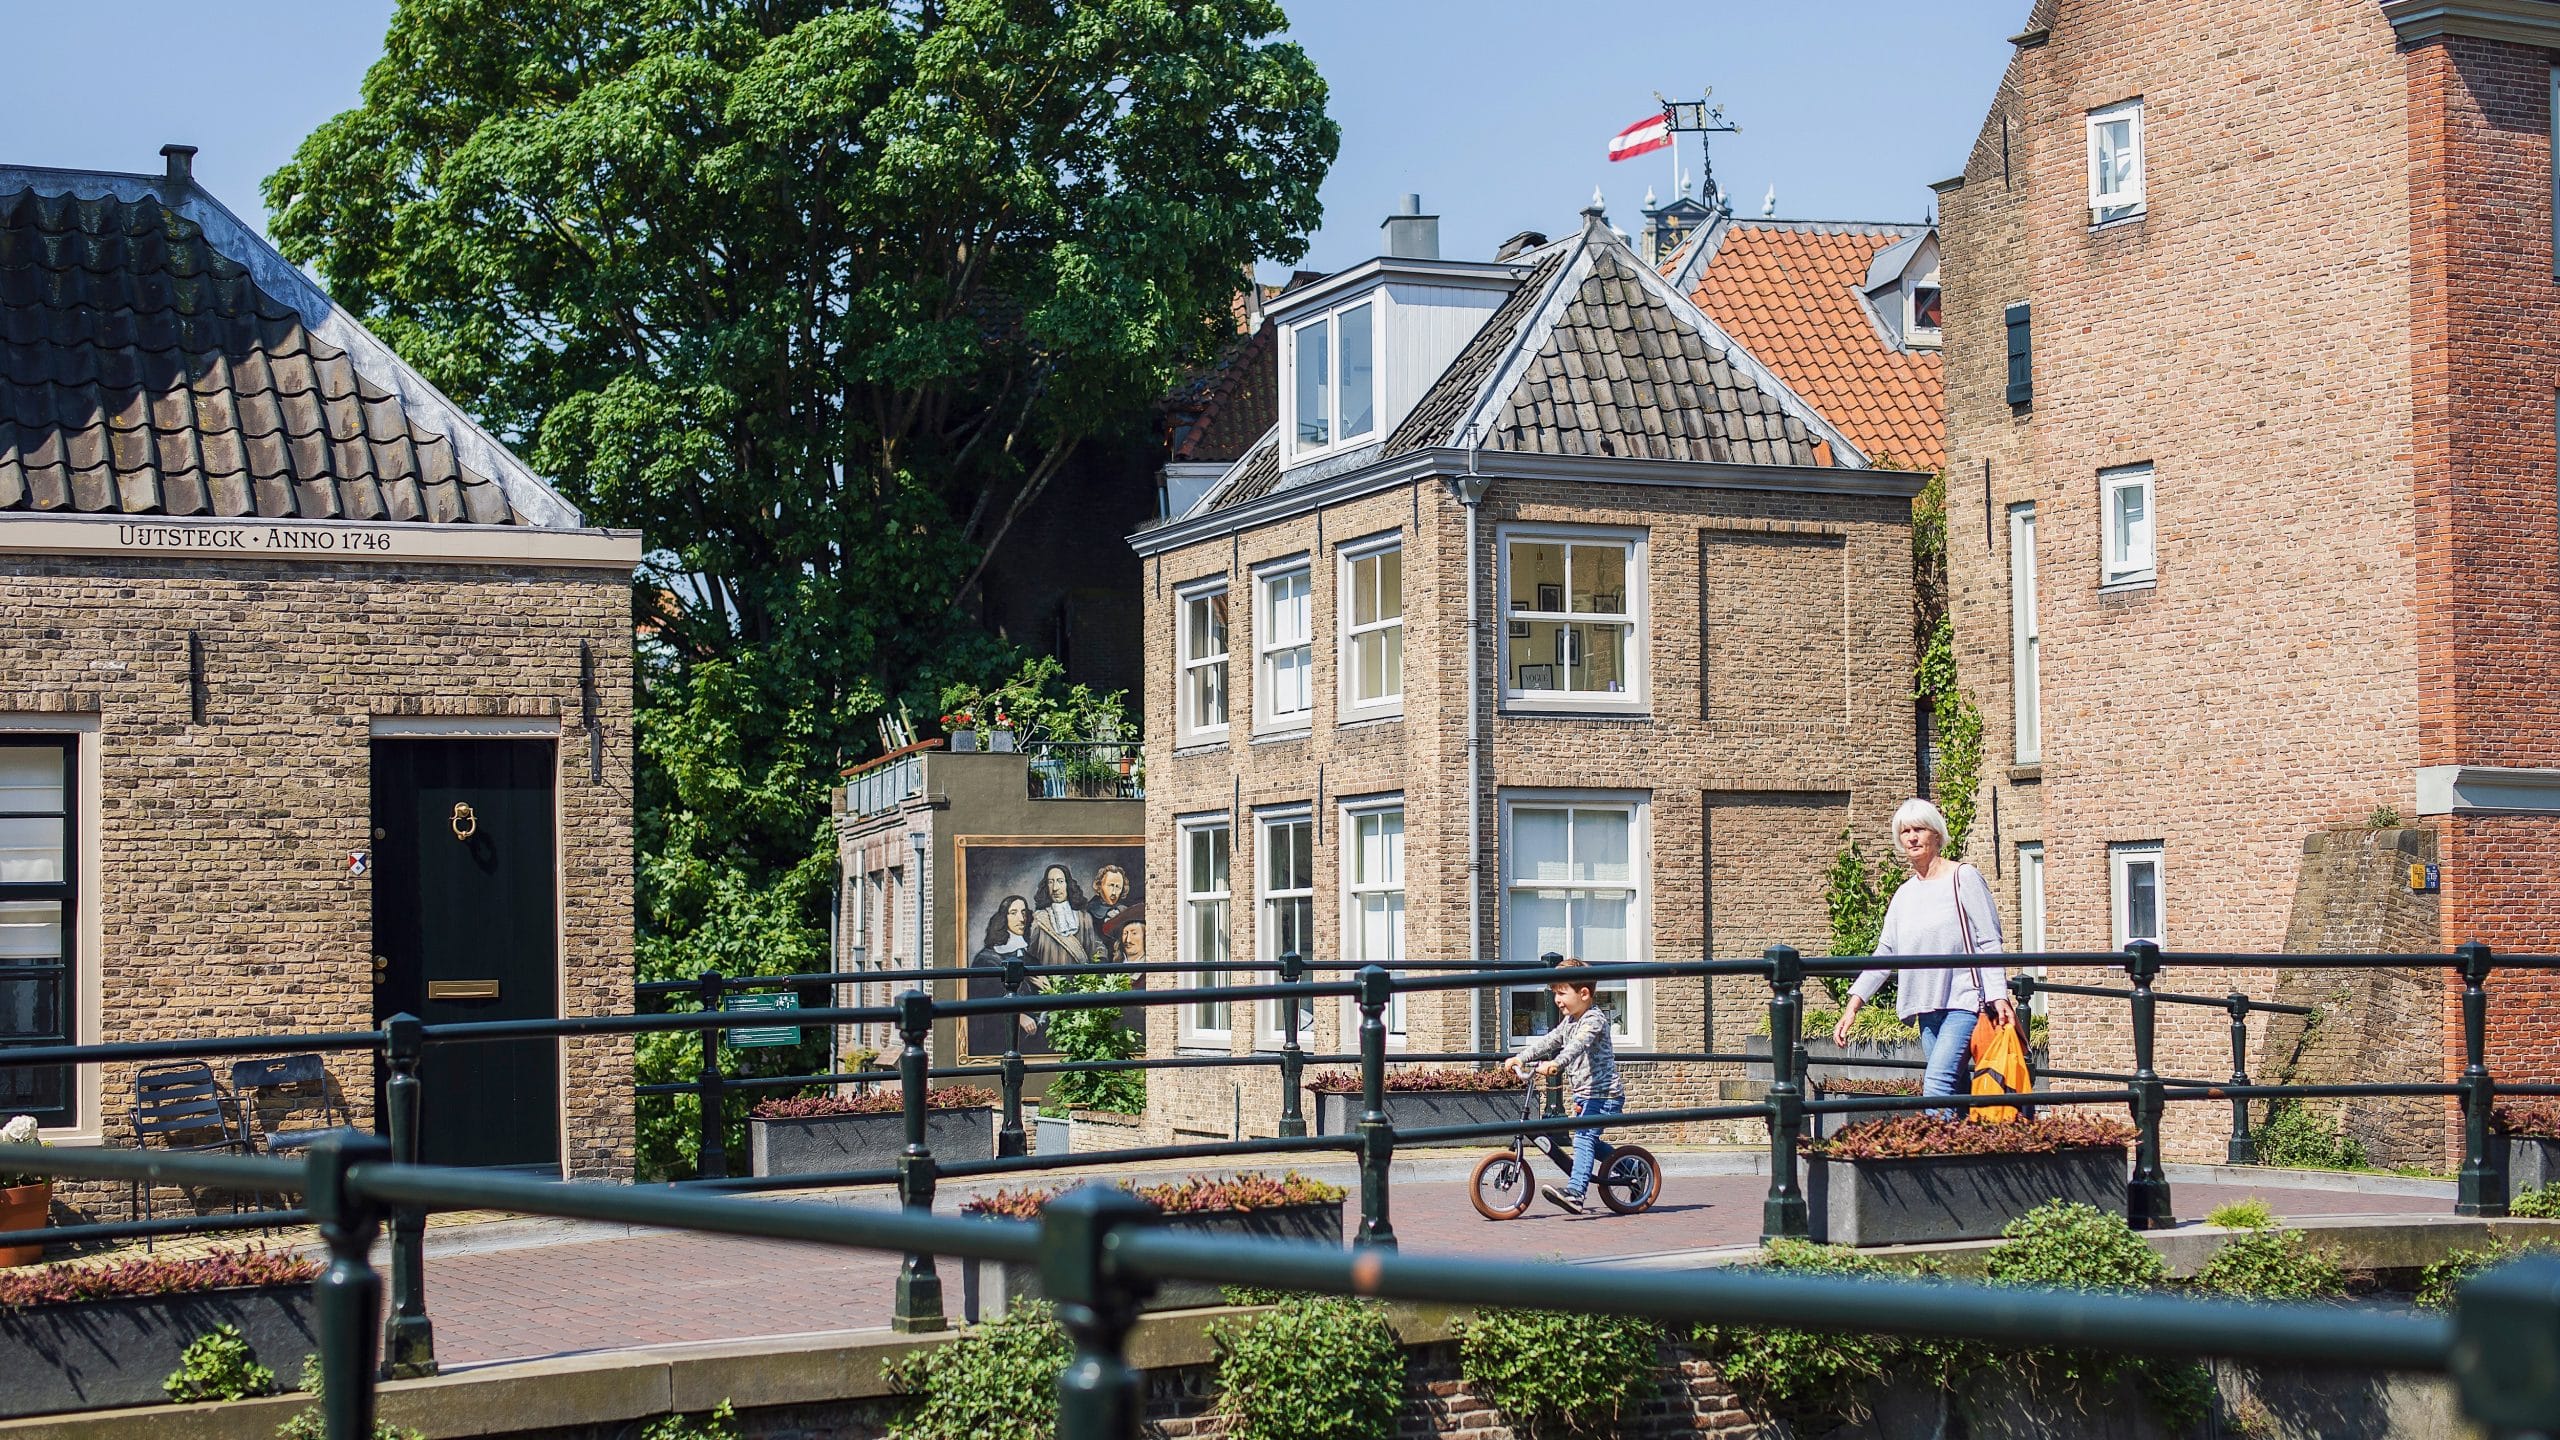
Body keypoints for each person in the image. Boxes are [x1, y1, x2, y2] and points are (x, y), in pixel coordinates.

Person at [1832, 798, 2014, 1115]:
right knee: (1954, 1088)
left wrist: (1999, 996)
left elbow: (1989, 939)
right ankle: (1972, 1154)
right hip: (1926, 1009)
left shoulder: (1963, 878)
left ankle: (1935, 1157)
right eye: (1905, 832)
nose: (1912, 837)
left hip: (1964, 1002)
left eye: (1920, 829)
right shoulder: (1905, 894)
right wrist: (1853, 1007)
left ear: (1936, 835)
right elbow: (1885, 953)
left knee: (1936, 1085)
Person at [1505, 958, 1624, 1215]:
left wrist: (1556, 1064)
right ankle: (1629, 1168)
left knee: (1583, 1138)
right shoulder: (1569, 1021)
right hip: (1585, 1095)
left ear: (1583, 993)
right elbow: (1550, 1040)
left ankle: (1576, 1194)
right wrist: (1521, 1057)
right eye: (1555, 993)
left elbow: (1576, 1046)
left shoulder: (1593, 1020)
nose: (1557, 999)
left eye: (1562, 993)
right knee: (1588, 1140)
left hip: (1605, 1096)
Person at [967, 895, 1043, 1055]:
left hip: (1031, 1037)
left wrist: (1047, 987)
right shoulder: (987, 959)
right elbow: (985, 1001)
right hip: (996, 1037)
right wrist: (1019, 1016)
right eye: (1013, 913)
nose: (1021, 918)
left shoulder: (1030, 958)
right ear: (1003, 918)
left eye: (1023, 912)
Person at [1028, 863, 1101, 966]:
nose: (1055, 888)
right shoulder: (1038, 919)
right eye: (1050, 882)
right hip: (1049, 980)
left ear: (1068, 885)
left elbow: (1095, 948)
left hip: (1079, 980)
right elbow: (1030, 956)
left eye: (1060, 881)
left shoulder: (1084, 918)